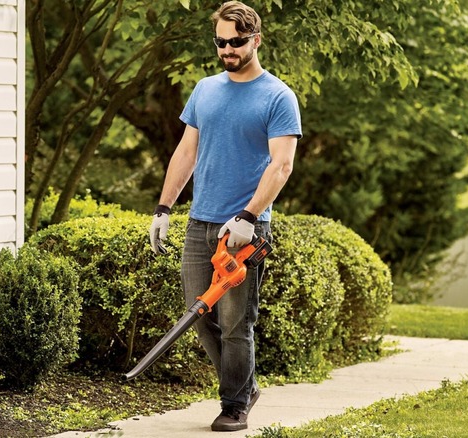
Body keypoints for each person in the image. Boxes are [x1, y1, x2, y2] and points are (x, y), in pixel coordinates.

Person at [148, 1, 302, 432]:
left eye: (236, 42)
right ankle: (245, 386)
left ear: (256, 39)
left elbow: (281, 166)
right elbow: (186, 152)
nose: (228, 49)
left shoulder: (278, 96)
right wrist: (164, 208)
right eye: (221, 42)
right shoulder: (205, 89)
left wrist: (249, 216)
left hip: (245, 229)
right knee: (197, 316)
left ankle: (234, 404)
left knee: (237, 323)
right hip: (201, 223)